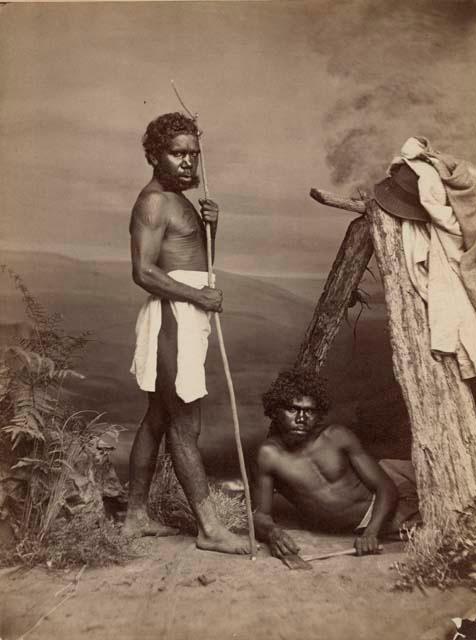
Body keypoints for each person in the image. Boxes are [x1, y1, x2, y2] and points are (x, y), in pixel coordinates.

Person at [125, 112, 249, 554]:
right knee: (184, 423)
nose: (187, 163)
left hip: (186, 316)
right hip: (174, 318)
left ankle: (135, 516)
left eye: (193, 155)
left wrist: (211, 226)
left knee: (158, 417)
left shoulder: (180, 199)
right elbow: (143, 271)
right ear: (154, 155)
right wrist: (199, 298)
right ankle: (210, 529)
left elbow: (187, 254)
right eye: (177, 153)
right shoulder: (154, 202)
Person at [253, 369, 420, 559]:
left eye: (309, 411)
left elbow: (386, 488)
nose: (301, 419)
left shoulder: (336, 436)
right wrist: (273, 533)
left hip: (382, 513)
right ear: (276, 411)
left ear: (318, 414)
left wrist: (371, 533)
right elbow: (260, 515)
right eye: (292, 409)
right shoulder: (268, 455)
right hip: (349, 528)